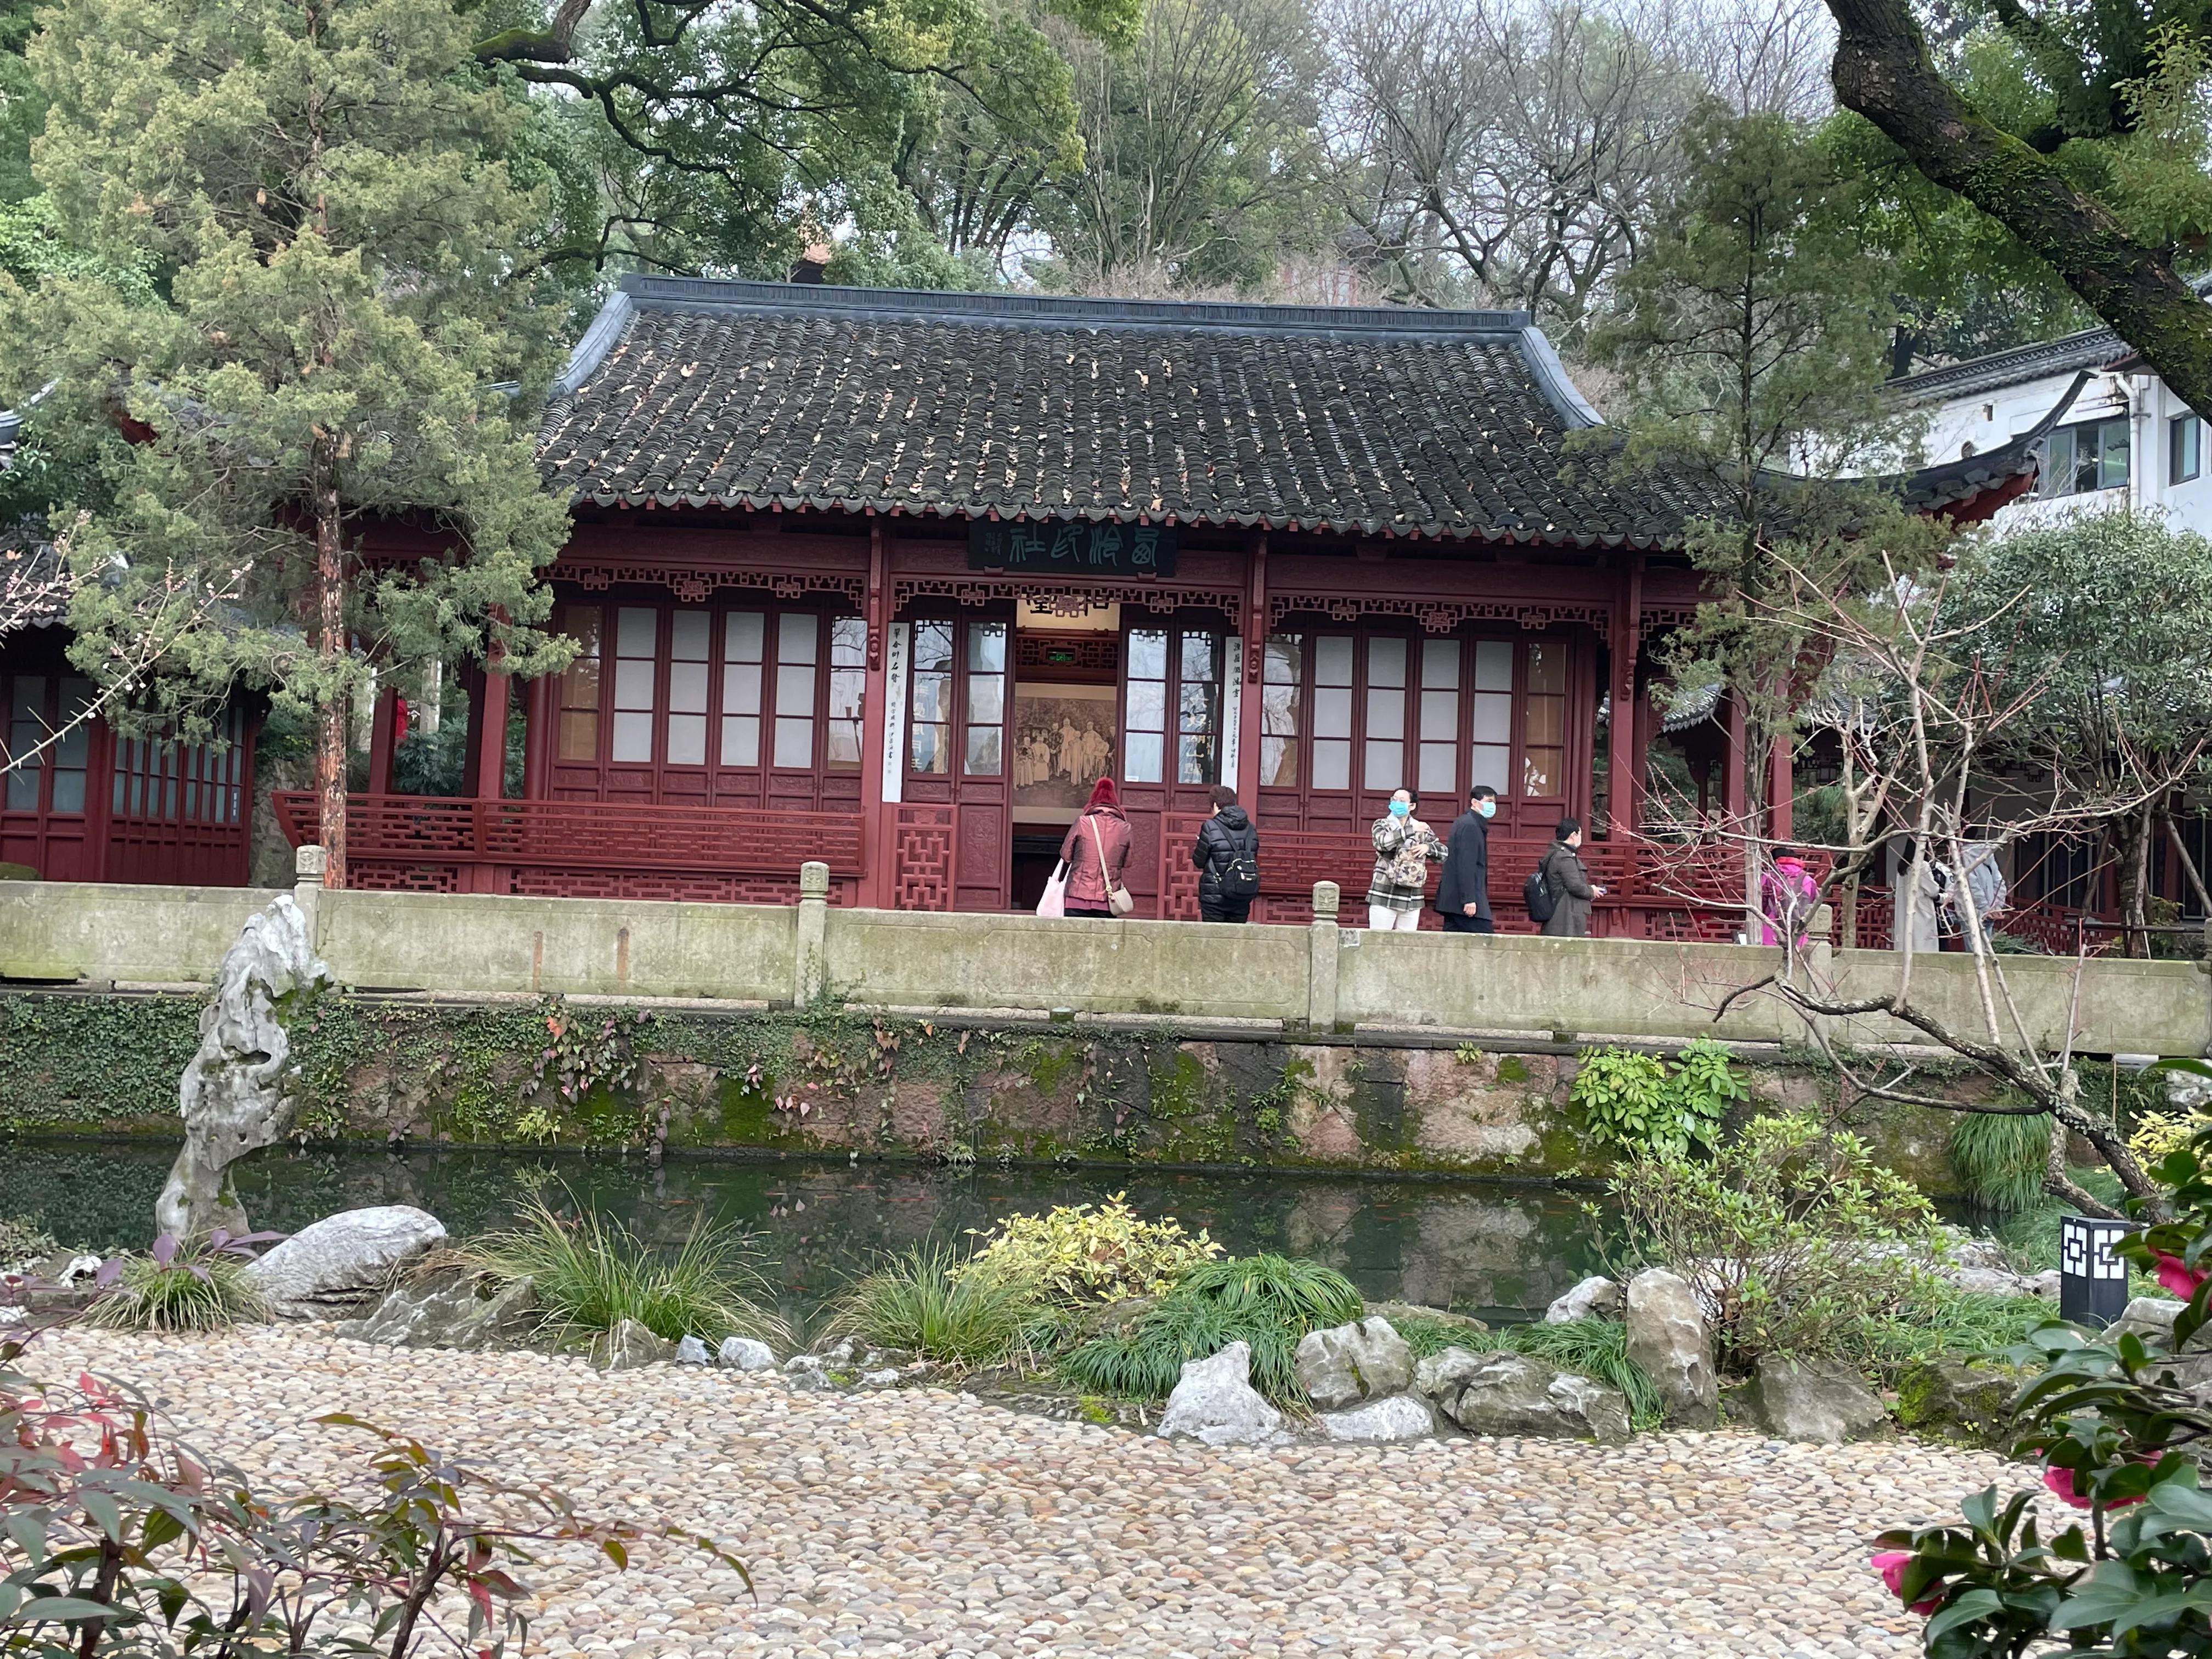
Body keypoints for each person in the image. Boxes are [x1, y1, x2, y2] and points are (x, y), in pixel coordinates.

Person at [1367, 787, 1444, 931]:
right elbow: (1382, 843)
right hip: (1384, 893)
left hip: (1412, 896)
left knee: (1406, 945)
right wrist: (1411, 830)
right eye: (1394, 799)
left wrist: (1428, 848)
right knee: (1378, 942)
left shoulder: (1421, 827)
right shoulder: (1382, 824)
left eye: (1402, 801)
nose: (1396, 803)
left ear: (1412, 806)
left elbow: (1443, 853)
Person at [1058, 776, 1132, 918]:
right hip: (1108, 900)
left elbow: (1066, 855)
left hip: (1077, 897)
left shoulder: (1083, 822)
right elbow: (1128, 863)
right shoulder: (1125, 828)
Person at [1435, 784, 1499, 933]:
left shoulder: (1469, 822)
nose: (1492, 806)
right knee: (1485, 941)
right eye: (1488, 801)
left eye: (1494, 803)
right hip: (1463, 902)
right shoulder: (1470, 825)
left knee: (1454, 947)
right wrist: (1469, 899)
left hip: (1455, 902)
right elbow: (1466, 865)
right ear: (1475, 803)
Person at [1192, 783, 1260, 923]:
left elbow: (1199, 861)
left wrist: (1201, 843)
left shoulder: (1210, 827)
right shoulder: (1251, 829)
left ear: (1216, 805)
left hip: (1215, 897)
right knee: (1235, 941)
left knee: (1213, 939)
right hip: (1242, 894)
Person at [1537, 817, 1604, 937]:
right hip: (1565, 915)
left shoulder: (1558, 853)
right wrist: (1591, 891)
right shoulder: (1564, 857)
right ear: (1574, 835)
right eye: (1580, 834)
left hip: (1562, 912)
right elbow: (1575, 886)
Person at [1759, 847, 1819, 948]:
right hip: (1801, 932)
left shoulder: (1769, 877)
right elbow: (1814, 903)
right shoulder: (1809, 880)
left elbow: (1761, 904)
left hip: (1773, 931)